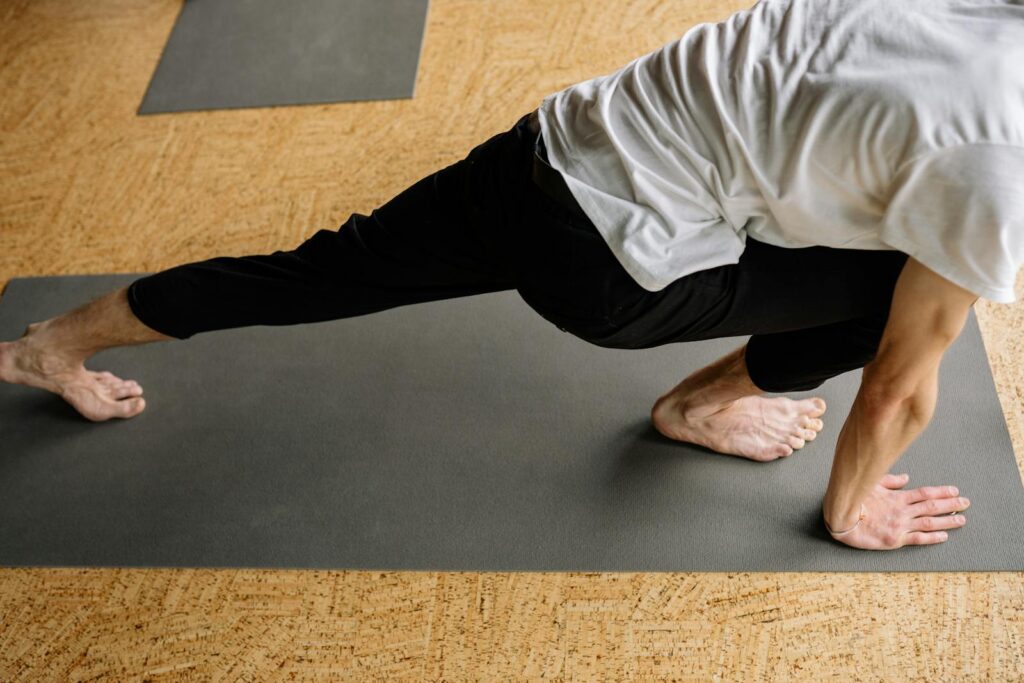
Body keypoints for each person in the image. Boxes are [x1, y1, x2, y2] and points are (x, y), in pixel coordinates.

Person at [2, 0, 1022, 551]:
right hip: (618, 268)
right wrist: (846, 512)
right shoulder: (1002, 153)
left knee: (311, 272)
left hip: (553, 143)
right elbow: (896, 382)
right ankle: (699, 408)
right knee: (909, 297)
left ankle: (50, 344)